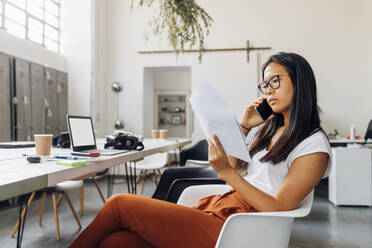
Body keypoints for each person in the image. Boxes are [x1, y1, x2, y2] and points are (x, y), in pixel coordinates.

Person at [69, 52, 331, 248]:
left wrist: (229, 174)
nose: (269, 91)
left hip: (244, 227)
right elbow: (235, 167)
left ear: (301, 82)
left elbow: (278, 207)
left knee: (118, 205)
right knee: (116, 243)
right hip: (226, 209)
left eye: (275, 81)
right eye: (265, 85)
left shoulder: (313, 146)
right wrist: (243, 127)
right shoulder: (270, 128)